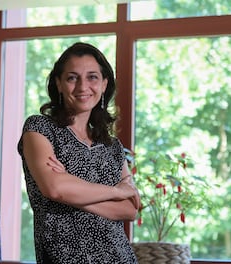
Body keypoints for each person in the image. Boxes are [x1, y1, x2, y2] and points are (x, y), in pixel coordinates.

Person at [17, 42, 140, 264]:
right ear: (59, 84)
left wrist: (73, 190)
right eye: (72, 77)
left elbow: (130, 209)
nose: (83, 86)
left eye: (92, 77)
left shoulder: (112, 145)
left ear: (104, 84)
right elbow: (55, 188)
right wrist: (115, 191)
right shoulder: (39, 128)